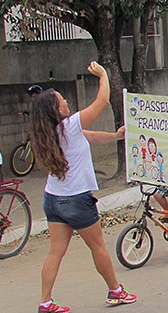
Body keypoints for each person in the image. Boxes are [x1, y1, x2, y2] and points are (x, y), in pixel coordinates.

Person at [30, 61, 136, 313]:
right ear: (56, 109)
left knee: (55, 252)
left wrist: (115, 137)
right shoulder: (70, 124)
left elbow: (89, 137)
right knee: (97, 246)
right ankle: (116, 291)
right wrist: (103, 75)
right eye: (62, 99)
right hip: (77, 200)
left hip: (53, 199)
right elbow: (101, 102)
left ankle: (45, 302)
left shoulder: (52, 131)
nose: (66, 101)